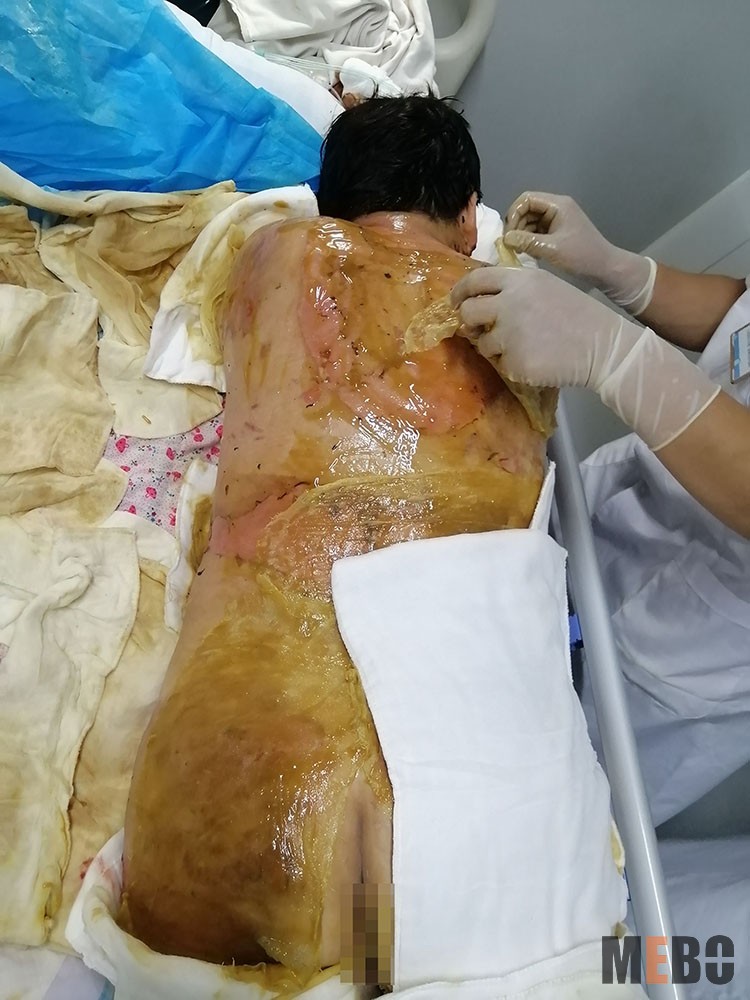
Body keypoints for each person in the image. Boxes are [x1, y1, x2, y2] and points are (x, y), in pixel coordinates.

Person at [121, 97, 552, 988]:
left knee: (203, 899)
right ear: (470, 215)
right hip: (453, 822)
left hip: (217, 789)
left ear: (330, 200)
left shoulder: (275, 257)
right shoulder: (523, 317)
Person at [452, 191, 750, 825]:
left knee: (500, 804)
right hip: (620, 503)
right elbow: (740, 317)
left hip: (674, 648)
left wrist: (613, 354)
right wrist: (623, 272)